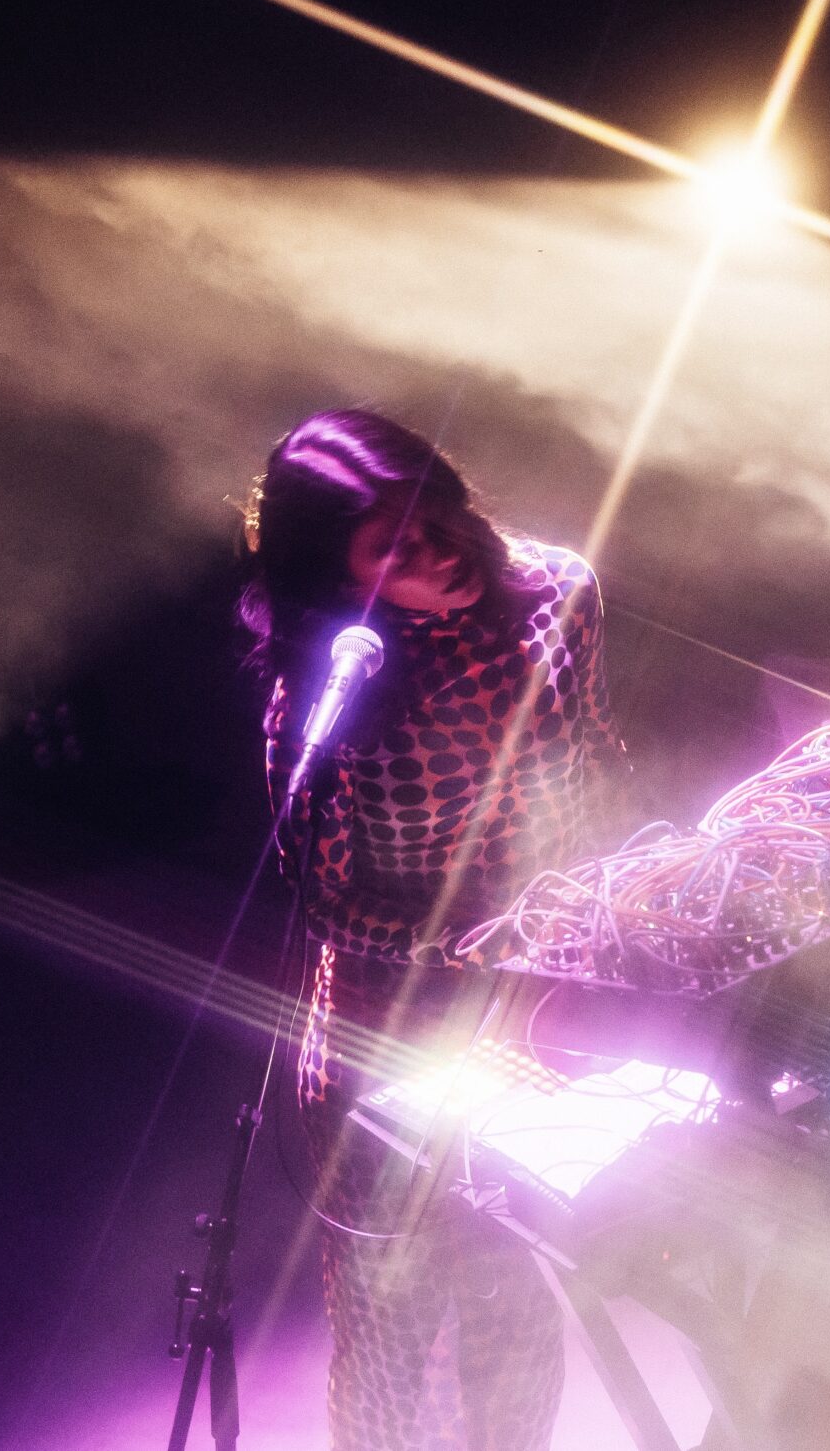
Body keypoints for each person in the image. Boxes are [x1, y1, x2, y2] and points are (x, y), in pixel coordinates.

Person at [238, 407, 624, 1451]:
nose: (438, 553)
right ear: (339, 577)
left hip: (537, 1013)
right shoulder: (325, 690)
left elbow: (589, 756)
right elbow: (322, 903)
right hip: (382, 1031)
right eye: (393, 550)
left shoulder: (557, 598)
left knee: (511, 1294)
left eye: (432, 515)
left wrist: (588, 932)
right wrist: (456, 949)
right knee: (392, 1320)